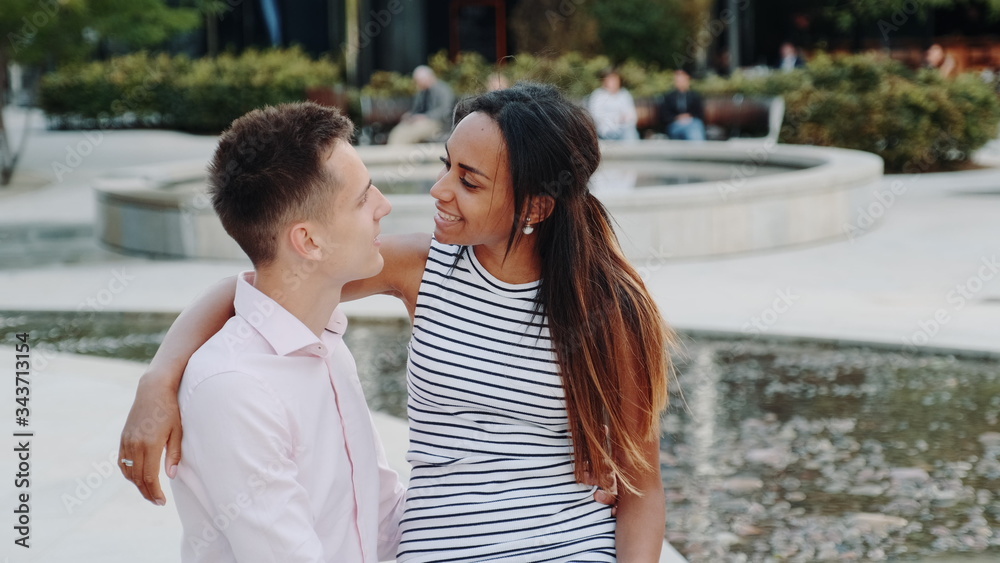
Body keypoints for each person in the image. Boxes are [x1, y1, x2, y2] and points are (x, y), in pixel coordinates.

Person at [119, 83, 673, 561]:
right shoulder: (423, 267)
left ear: (535, 208)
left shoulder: (605, 307)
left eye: (470, 181)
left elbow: (641, 487)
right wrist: (160, 378)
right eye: (446, 165)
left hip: (566, 547)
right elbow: (270, 284)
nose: (440, 190)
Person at [134, 102, 404, 561]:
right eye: (362, 198)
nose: (384, 205)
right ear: (308, 241)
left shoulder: (327, 348)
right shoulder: (234, 390)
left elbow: (381, 519)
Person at [387, 65, 456, 145]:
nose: (418, 84)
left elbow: (445, 110)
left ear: (429, 77)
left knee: (409, 133)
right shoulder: (422, 92)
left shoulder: (443, 90)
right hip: (421, 122)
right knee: (399, 130)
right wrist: (410, 115)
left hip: (437, 123)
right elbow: (417, 109)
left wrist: (425, 117)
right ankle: (394, 153)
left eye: (419, 81)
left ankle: (399, 154)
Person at [587, 68, 639, 141]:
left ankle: (633, 152)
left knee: (630, 132)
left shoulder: (624, 95)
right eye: (611, 80)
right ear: (605, 81)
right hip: (605, 130)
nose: (614, 82)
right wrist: (612, 121)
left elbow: (631, 115)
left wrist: (622, 120)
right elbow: (595, 115)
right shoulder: (598, 95)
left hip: (623, 129)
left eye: (616, 80)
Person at [661, 69, 706, 141]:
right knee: (693, 132)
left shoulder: (695, 96)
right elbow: (664, 116)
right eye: (678, 81)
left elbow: (700, 114)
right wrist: (677, 118)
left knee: (694, 128)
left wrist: (689, 117)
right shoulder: (669, 97)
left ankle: (696, 150)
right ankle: (698, 151)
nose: (681, 83)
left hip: (693, 123)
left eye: (683, 80)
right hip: (675, 125)